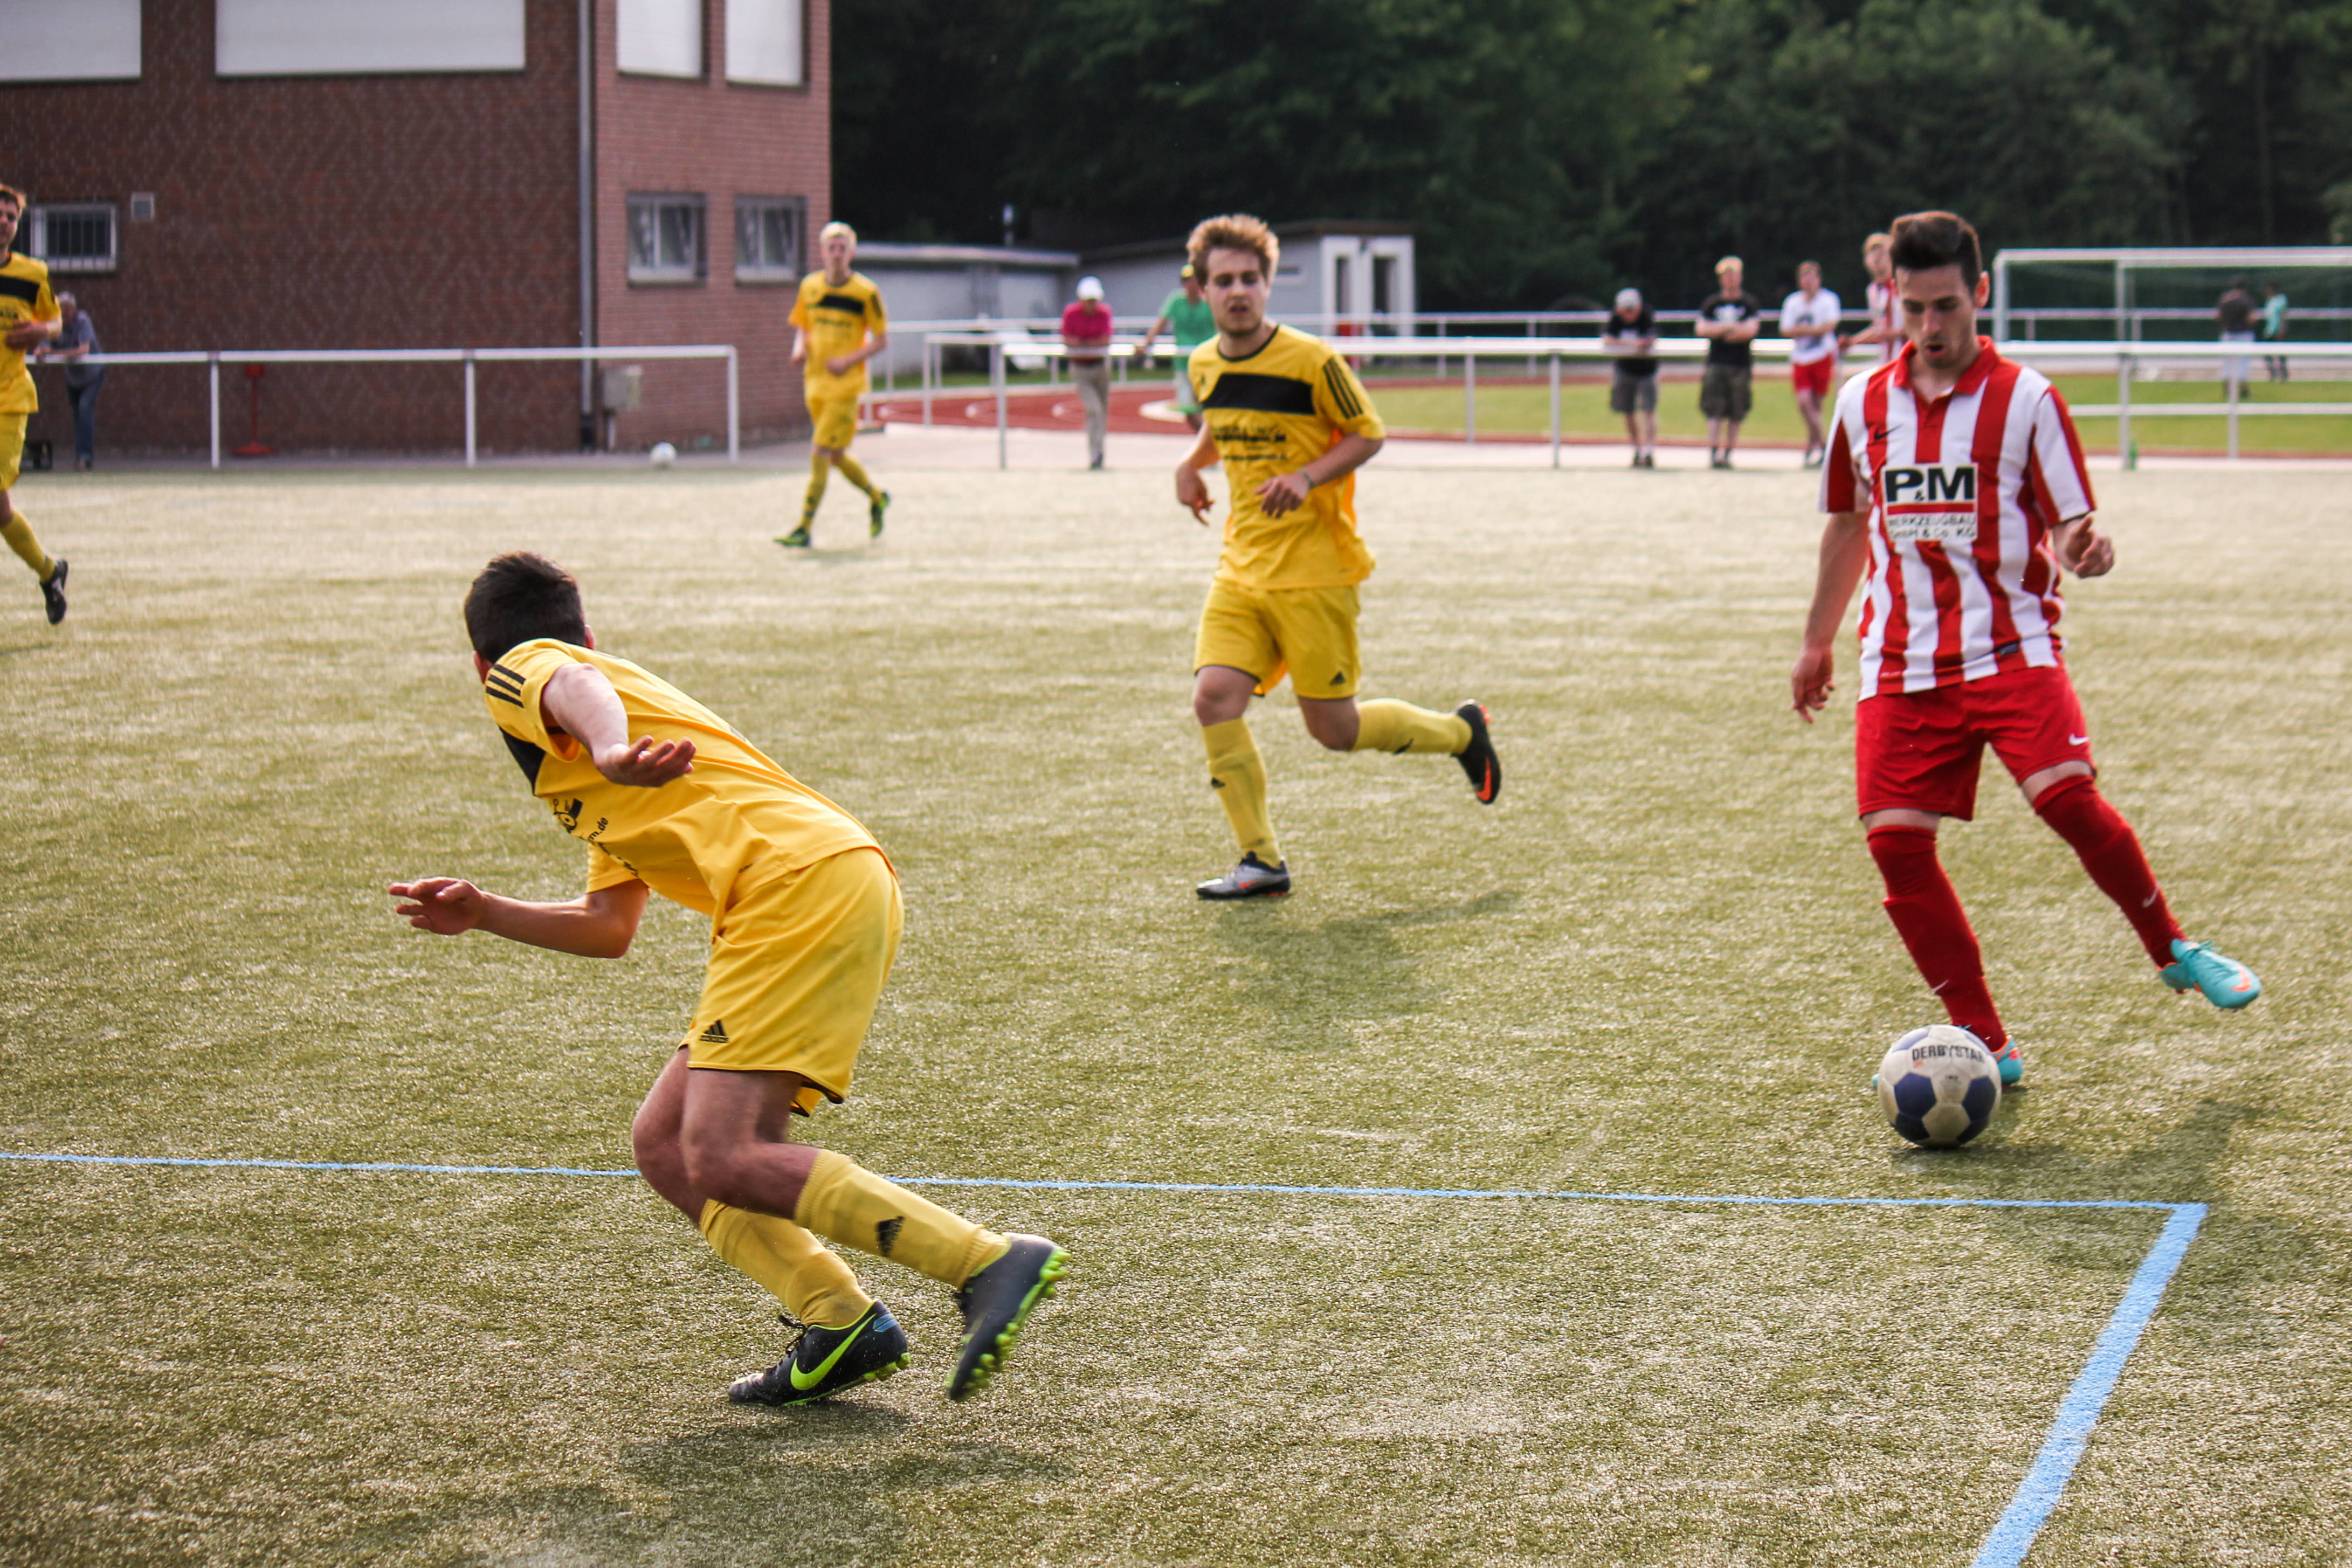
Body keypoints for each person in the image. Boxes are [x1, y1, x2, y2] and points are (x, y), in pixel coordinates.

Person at [390, 552, 1067, 1406]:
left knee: (723, 1151)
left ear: (484, 666)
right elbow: (608, 926)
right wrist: (487, 910)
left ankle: (986, 1260)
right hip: (804, 884)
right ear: (590, 626)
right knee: (666, 1143)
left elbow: (570, 680)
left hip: (794, 884)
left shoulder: (540, 675)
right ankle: (839, 1320)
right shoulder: (591, 767)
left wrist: (611, 747)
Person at [1792, 210, 2260, 1089]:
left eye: (1945, 306)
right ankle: (1983, 1038)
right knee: (1894, 845)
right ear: (1891, 300)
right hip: (1899, 660)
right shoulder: (1860, 402)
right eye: (1912, 308)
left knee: (2066, 799)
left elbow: (2070, 523)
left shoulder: (2028, 401)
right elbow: (1847, 525)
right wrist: (1815, 641)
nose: (1929, 327)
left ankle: (2172, 947)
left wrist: (2084, 547)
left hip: (2011, 646)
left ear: (1978, 293)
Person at [1172, 213, 1500, 900]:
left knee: (1334, 730)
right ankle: (1261, 861)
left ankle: (1460, 733)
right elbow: (1223, 421)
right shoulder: (1203, 362)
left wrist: (1306, 477)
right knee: (1213, 698)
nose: (1238, 291)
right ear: (1202, 289)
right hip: (1240, 568)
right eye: (1224, 281)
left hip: (1315, 571)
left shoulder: (1313, 360)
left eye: (1250, 279)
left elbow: (1367, 433)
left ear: (1267, 285)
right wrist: (1190, 462)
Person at [781, 222, 889, 548]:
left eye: (843, 248)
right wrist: (799, 350)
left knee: (820, 452)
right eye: (832, 248)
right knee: (837, 456)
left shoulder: (866, 292)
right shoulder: (810, 286)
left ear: (851, 253)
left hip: (845, 388)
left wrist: (848, 361)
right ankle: (877, 497)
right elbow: (803, 326)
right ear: (822, 252)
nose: (837, 254)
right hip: (815, 384)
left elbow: (881, 340)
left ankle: (804, 527)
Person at [0, 185, 66, 625]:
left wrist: (41, 332)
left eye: (12, 216)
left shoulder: (32, 273)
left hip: (9, 399)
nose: (5, 222)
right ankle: (49, 571)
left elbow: (55, 321)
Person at [1696, 257, 1760, 469]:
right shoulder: (1712, 304)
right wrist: (1730, 329)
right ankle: (1714, 452)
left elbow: (1750, 331)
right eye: (1726, 275)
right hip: (1716, 363)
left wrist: (1720, 331)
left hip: (1740, 364)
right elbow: (1702, 329)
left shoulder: (1748, 304)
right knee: (1714, 409)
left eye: (1734, 274)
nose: (1731, 279)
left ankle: (1729, 452)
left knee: (1737, 409)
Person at [1136, 264, 1216, 431]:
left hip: (1207, 365)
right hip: (1183, 365)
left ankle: (1208, 443)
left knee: (1207, 407)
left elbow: (1222, 326)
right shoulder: (1176, 301)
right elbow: (1161, 324)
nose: (1191, 284)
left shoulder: (1210, 302)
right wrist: (1146, 344)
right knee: (1187, 409)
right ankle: (1207, 442)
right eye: (1187, 281)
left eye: (1194, 280)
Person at [1779, 261, 1841, 467]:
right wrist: (1812, 330)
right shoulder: (1793, 302)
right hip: (1801, 358)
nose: (1807, 282)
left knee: (1817, 406)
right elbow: (1786, 329)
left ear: (1818, 279)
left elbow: (1829, 326)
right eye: (1804, 278)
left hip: (1822, 356)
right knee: (1804, 402)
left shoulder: (1828, 300)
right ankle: (1824, 444)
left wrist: (1804, 330)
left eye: (1811, 277)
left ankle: (1810, 448)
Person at [1061, 275, 1114, 469]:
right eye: (1088, 300)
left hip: (1100, 367)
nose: (1092, 304)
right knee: (1094, 409)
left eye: (1094, 300)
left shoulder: (1104, 313)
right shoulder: (1071, 313)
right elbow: (1068, 339)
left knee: (1102, 412)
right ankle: (1094, 453)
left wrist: (1083, 343)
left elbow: (1105, 339)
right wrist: (1089, 344)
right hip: (1081, 369)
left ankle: (1099, 452)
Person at [1602, 287, 1659, 468]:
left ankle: (1649, 451)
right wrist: (1630, 345)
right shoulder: (1615, 319)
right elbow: (1607, 338)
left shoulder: (1646, 316)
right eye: (1626, 310)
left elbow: (1649, 340)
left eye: (1632, 309)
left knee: (1648, 410)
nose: (1630, 314)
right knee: (1628, 411)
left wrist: (1628, 346)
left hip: (1647, 370)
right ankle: (1637, 450)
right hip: (1625, 370)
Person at [46, 291, 101, 470]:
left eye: (68, 308)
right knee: (78, 415)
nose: (65, 312)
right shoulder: (55, 323)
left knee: (85, 409)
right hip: (73, 377)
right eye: (62, 308)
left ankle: (85, 457)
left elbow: (83, 350)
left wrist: (53, 354)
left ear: (74, 309)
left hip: (92, 374)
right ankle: (80, 456)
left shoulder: (83, 321)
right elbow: (44, 346)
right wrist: (42, 351)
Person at [1839, 232, 1899, 367]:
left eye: (1882, 252)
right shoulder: (1873, 290)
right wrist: (1852, 341)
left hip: (1906, 358)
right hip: (1887, 361)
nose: (1877, 257)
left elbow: (1914, 326)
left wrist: (1890, 333)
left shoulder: (1901, 286)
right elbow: (1879, 328)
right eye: (1872, 252)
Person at [2216, 277, 2258, 397]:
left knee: (2227, 362)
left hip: (2228, 333)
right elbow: (2251, 319)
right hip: (2244, 334)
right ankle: (2244, 389)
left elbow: (2218, 316)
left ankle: (2226, 389)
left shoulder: (2225, 299)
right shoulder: (2247, 300)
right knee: (2243, 362)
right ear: (2245, 288)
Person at [2259, 282, 2289, 383]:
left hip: (2278, 330)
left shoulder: (2281, 300)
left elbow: (2283, 316)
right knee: (2267, 354)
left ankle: (2283, 374)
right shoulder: (2270, 301)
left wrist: (2282, 330)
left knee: (2281, 354)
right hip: (2269, 331)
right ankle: (2272, 373)